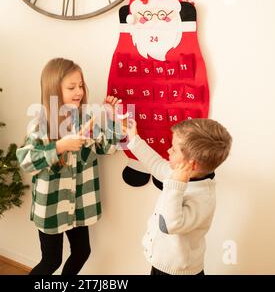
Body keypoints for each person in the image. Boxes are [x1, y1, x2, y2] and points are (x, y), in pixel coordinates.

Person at [16, 58, 123, 275]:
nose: (79, 91)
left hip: (80, 205)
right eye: (71, 87)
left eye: (81, 85)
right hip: (52, 208)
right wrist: (59, 147)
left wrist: (112, 118)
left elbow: (109, 148)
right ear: (54, 90)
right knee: (51, 261)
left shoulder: (88, 119)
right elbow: (26, 161)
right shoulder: (41, 124)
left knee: (82, 252)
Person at [124, 118, 232, 275]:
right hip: (162, 264)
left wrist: (176, 184)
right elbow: (156, 165)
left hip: (178, 271)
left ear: (191, 164)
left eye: (173, 149)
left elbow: (169, 225)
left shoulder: (202, 196)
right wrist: (134, 139)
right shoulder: (182, 174)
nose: (168, 151)